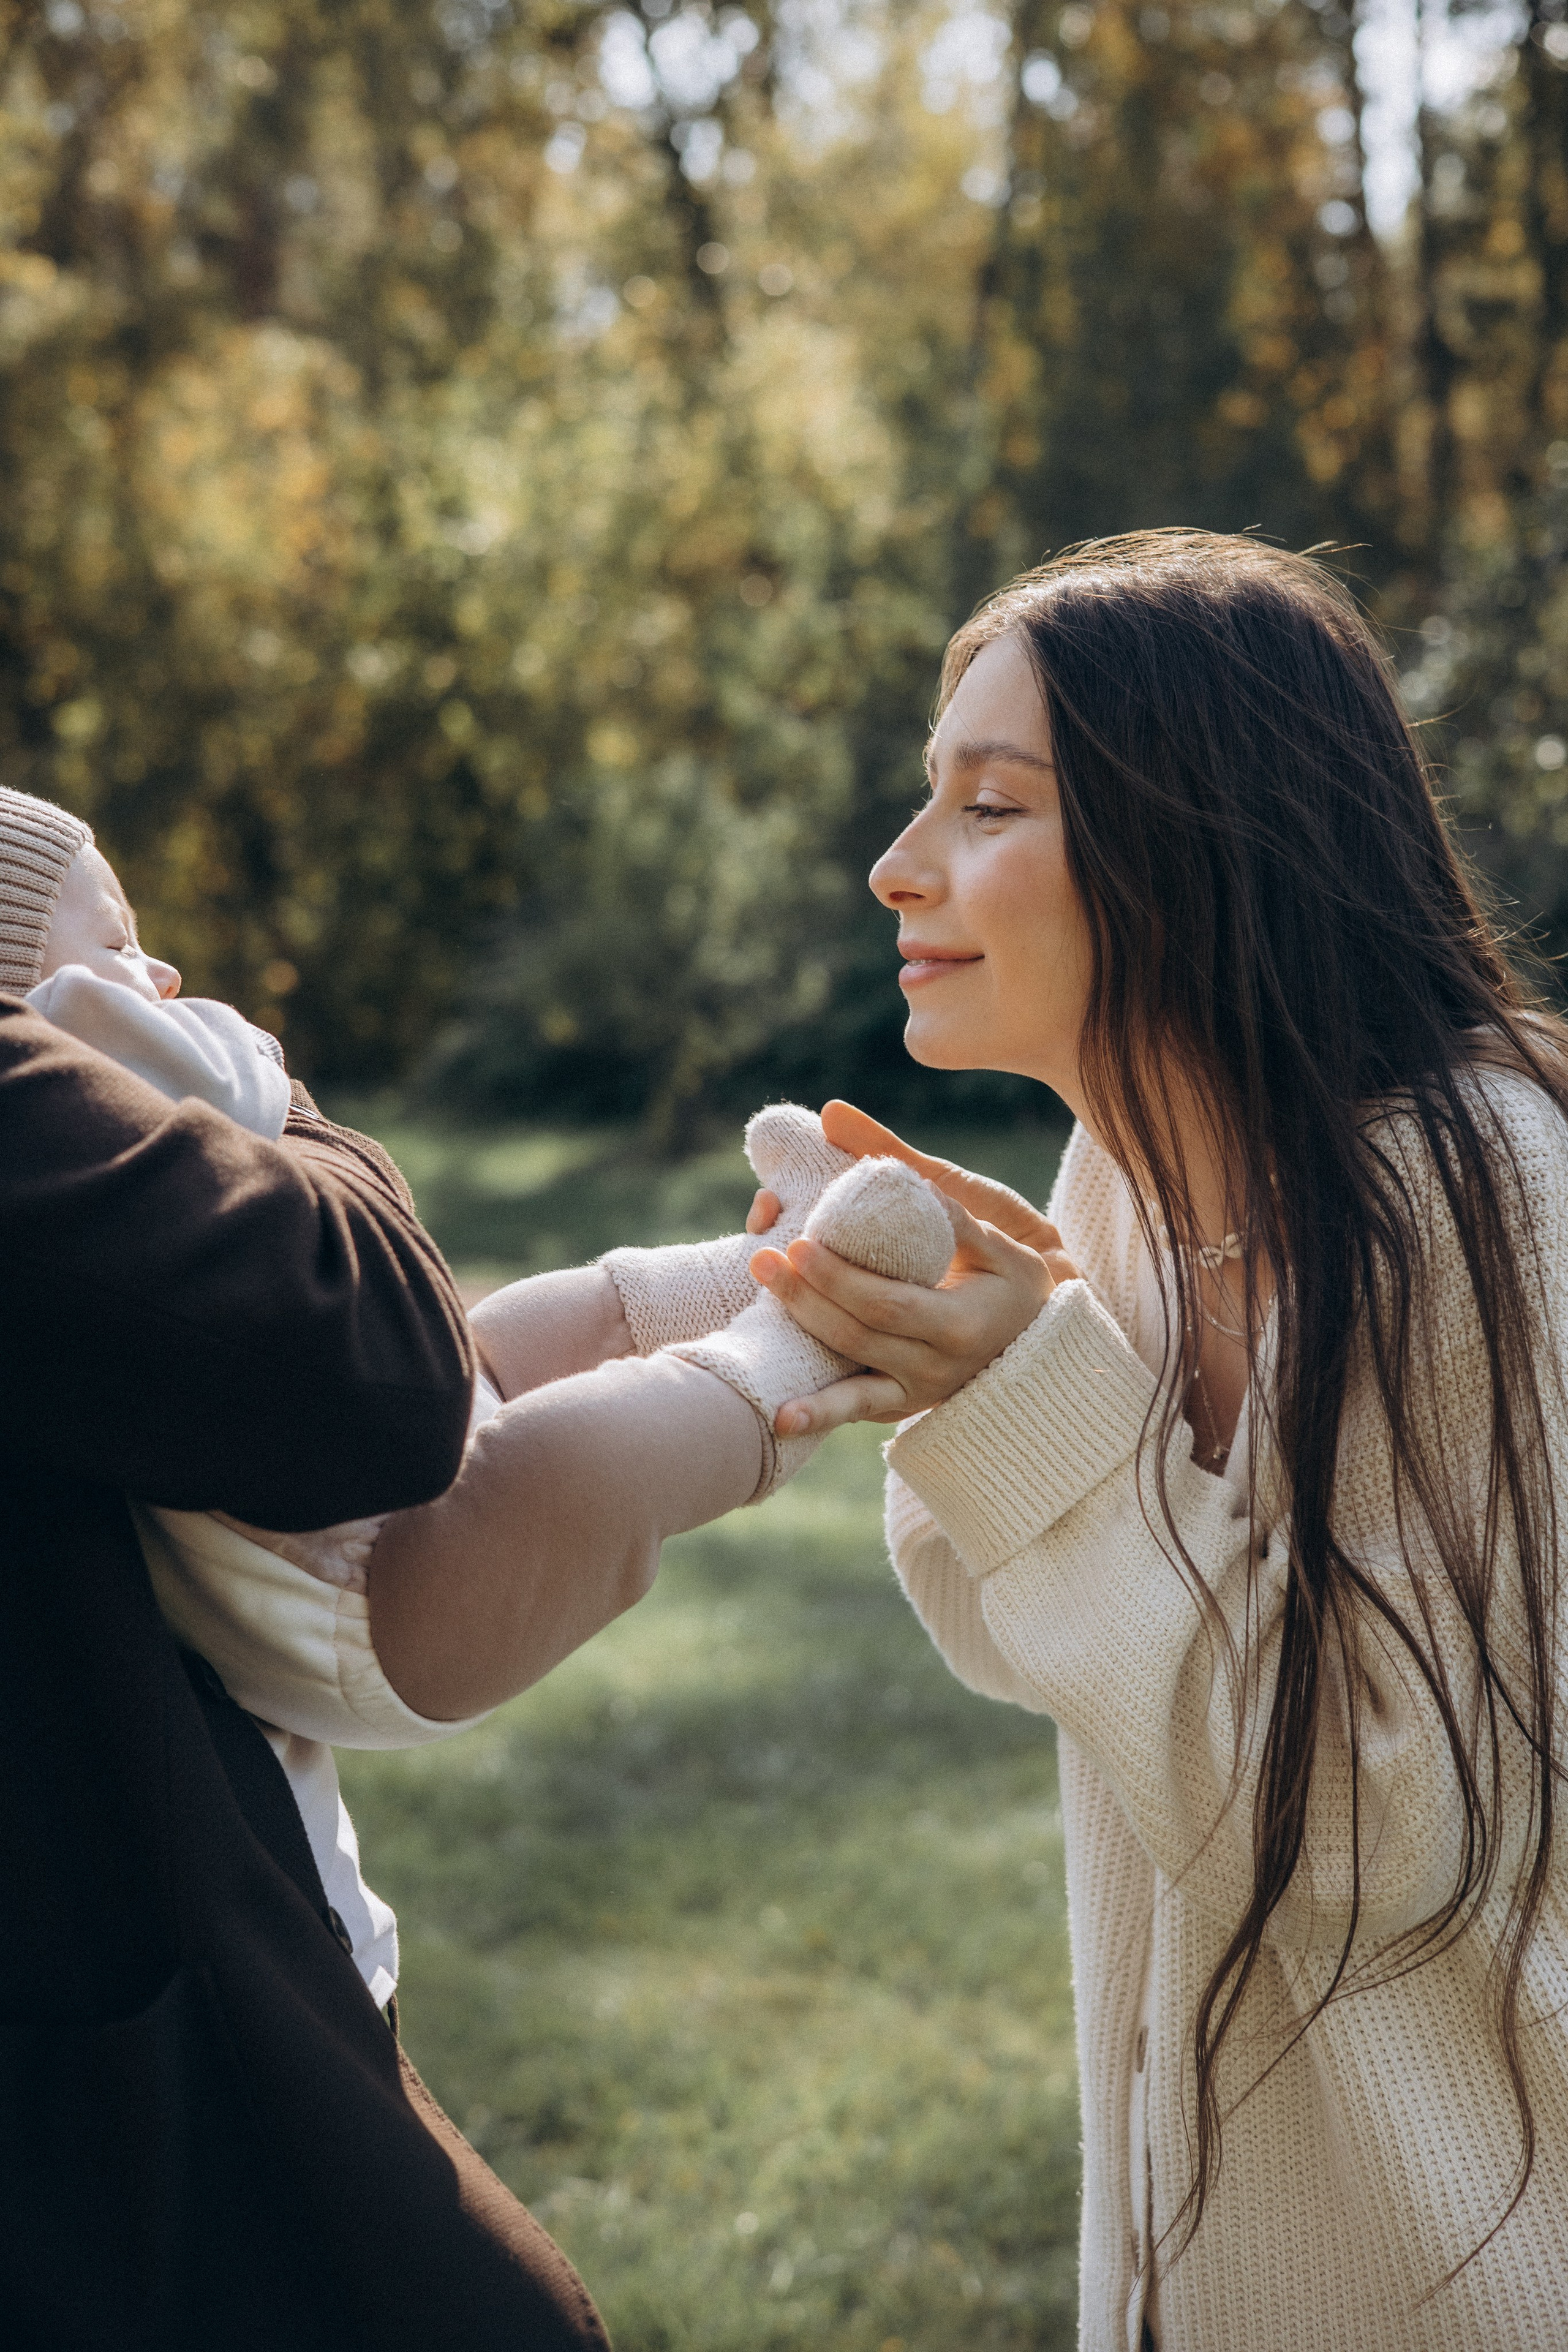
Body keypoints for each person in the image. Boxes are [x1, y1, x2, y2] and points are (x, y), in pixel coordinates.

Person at [752, 532, 1568, 2349]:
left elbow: (1380, 1834)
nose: (899, 867)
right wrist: (973, 1369)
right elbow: (1014, 1633)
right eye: (927, 801)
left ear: (1196, 837)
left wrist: (1028, 1393)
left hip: (1464, 2274)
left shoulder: (1477, 1189)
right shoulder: (1132, 1156)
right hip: (1186, 2247)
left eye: (990, 806)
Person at [4, 783, 961, 2035]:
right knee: (588, 1462)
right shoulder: (87, 1053)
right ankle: (790, 1340)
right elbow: (254, 1111)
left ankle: (742, 1276)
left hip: (331, 1520)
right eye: (117, 938)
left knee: (507, 1333)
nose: (159, 967)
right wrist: (230, 1059)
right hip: (359, 1597)